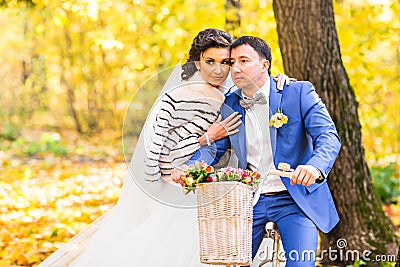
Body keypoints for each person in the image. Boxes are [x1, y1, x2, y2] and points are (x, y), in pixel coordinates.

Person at [38, 29, 292, 267]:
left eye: (225, 62)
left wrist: (279, 79)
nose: (218, 70)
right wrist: (205, 138)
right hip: (178, 186)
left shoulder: (229, 93)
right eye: (210, 61)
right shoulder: (178, 96)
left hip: (213, 186)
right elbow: (159, 153)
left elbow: (258, 86)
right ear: (196, 62)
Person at [175, 36, 341, 267]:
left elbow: (328, 137)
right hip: (248, 201)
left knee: (301, 264)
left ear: (265, 65)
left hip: (294, 199)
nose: (236, 68)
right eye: (232, 63)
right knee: (231, 263)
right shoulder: (231, 103)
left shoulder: (298, 92)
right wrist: (190, 167)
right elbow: (215, 149)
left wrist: (314, 166)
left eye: (244, 60)